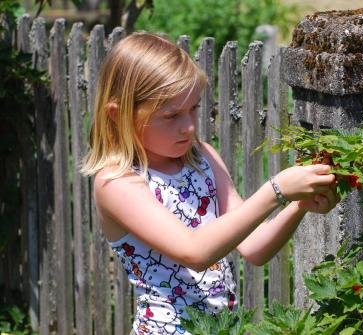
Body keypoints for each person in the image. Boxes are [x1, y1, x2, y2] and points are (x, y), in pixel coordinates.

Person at [81, 32, 339, 335]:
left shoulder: (201, 157)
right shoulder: (118, 182)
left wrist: (298, 204)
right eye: (171, 115)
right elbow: (195, 252)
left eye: (194, 108)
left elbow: (255, 248)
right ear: (119, 114)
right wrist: (276, 190)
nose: (189, 126)